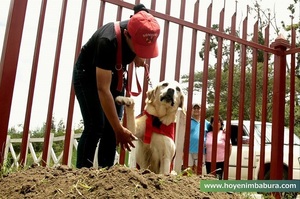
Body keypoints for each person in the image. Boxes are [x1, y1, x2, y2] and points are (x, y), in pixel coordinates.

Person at [73, 4, 160, 169]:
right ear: (128, 34)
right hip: (88, 75)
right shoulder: (108, 41)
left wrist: (139, 53)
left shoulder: (144, 22)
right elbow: (102, 89)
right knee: (96, 125)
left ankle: (107, 175)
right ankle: (82, 174)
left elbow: (140, 8)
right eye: (140, 47)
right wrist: (119, 129)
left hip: (114, 73)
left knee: (112, 129)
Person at [188, 103, 211, 172]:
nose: (196, 110)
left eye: (198, 108)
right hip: (189, 151)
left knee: (198, 171)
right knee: (188, 171)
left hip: (201, 151)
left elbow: (215, 131)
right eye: (194, 108)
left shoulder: (207, 123)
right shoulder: (188, 122)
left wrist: (223, 130)